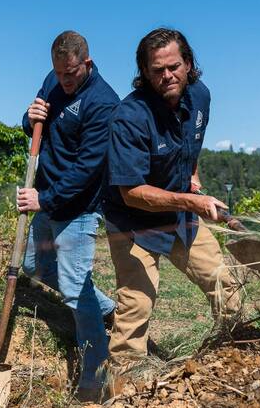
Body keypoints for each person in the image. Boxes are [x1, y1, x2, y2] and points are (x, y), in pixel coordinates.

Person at [103, 27, 243, 370]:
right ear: (144, 73)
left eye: (174, 66)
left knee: (228, 288)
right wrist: (191, 202)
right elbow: (131, 193)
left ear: (188, 63)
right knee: (135, 307)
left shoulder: (201, 97)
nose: (167, 76)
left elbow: (191, 144)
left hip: (180, 216)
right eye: (157, 70)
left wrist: (192, 176)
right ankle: (123, 391)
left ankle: (228, 361)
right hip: (134, 223)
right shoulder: (129, 118)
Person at [17, 30, 119, 401]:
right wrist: (29, 119)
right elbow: (35, 127)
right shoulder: (53, 80)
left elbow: (88, 168)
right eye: (59, 73)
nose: (64, 80)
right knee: (34, 264)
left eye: (71, 73)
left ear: (87, 63)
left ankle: (96, 382)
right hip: (46, 196)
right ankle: (108, 309)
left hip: (78, 206)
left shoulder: (104, 103)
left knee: (76, 291)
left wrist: (45, 200)